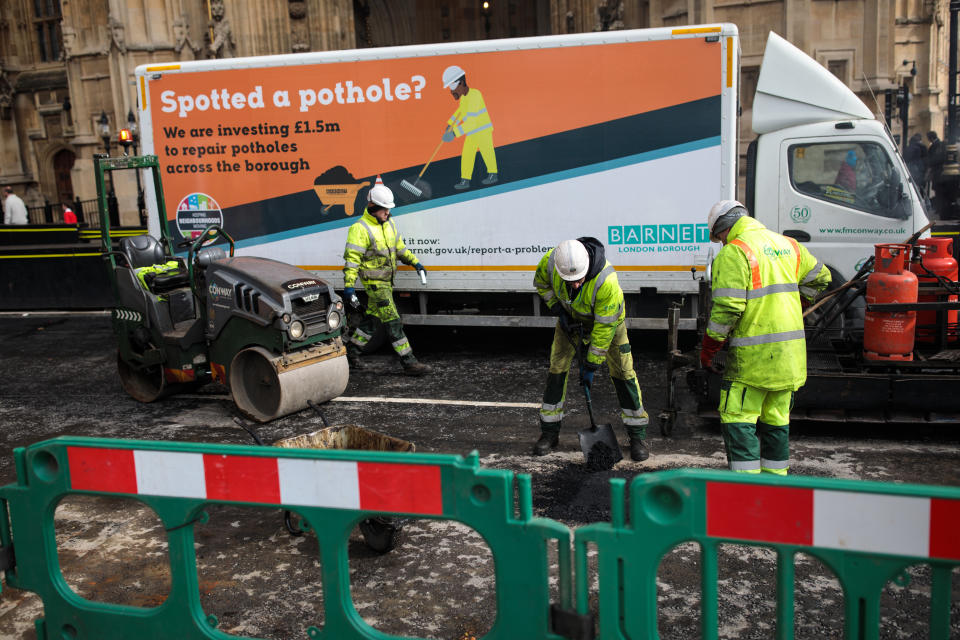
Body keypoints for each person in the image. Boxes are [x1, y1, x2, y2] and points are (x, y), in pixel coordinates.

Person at [700, 201, 831, 475]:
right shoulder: (789, 245)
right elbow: (821, 277)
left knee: (738, 417)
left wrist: (710, 348)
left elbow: (727, 310)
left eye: (719, 237)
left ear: (724, 229)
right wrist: (800, 303)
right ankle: (776, 487)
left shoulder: (735, 253)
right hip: (790, 359)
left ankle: (747, 490)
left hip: (754, 362)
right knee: (777, 420)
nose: (721, 242)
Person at [531, 237, 650, 461]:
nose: (575, 285)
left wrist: (592, 363)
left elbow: (604, 328)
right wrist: (558, 309)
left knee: (624, 374)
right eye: (569, 281)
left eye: (579, 280)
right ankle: (549, 433)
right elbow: (541, 284)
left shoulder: (606, 281)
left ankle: (637, 437)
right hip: (571, 321)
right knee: (557, 368)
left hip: (609, 324)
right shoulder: (551, 262)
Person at [343, 183, 430, 376]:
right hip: (375, 284)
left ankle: (351, 353)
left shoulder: (389, 224)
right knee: (393, 320)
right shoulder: (359, 228)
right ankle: (409, 362)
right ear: (373, 208)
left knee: (372, 320)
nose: (388, 213)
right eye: (385, 209)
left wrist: (415, 263)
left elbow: (399, 248)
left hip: (386, 282)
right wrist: (349, 286)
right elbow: (352, 259)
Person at [441, 65, 498, 190]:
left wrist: (454, 133)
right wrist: (450, 124)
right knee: (467, 154)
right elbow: (460, 112)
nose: (451, 91)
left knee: (487, 152)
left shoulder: (475, 95)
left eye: (452, 86)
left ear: (461, 83)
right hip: (472, 132)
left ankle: (493, 174)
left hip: (483, 130)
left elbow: (471, 122)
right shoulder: (464, 98)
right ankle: (465, 180)